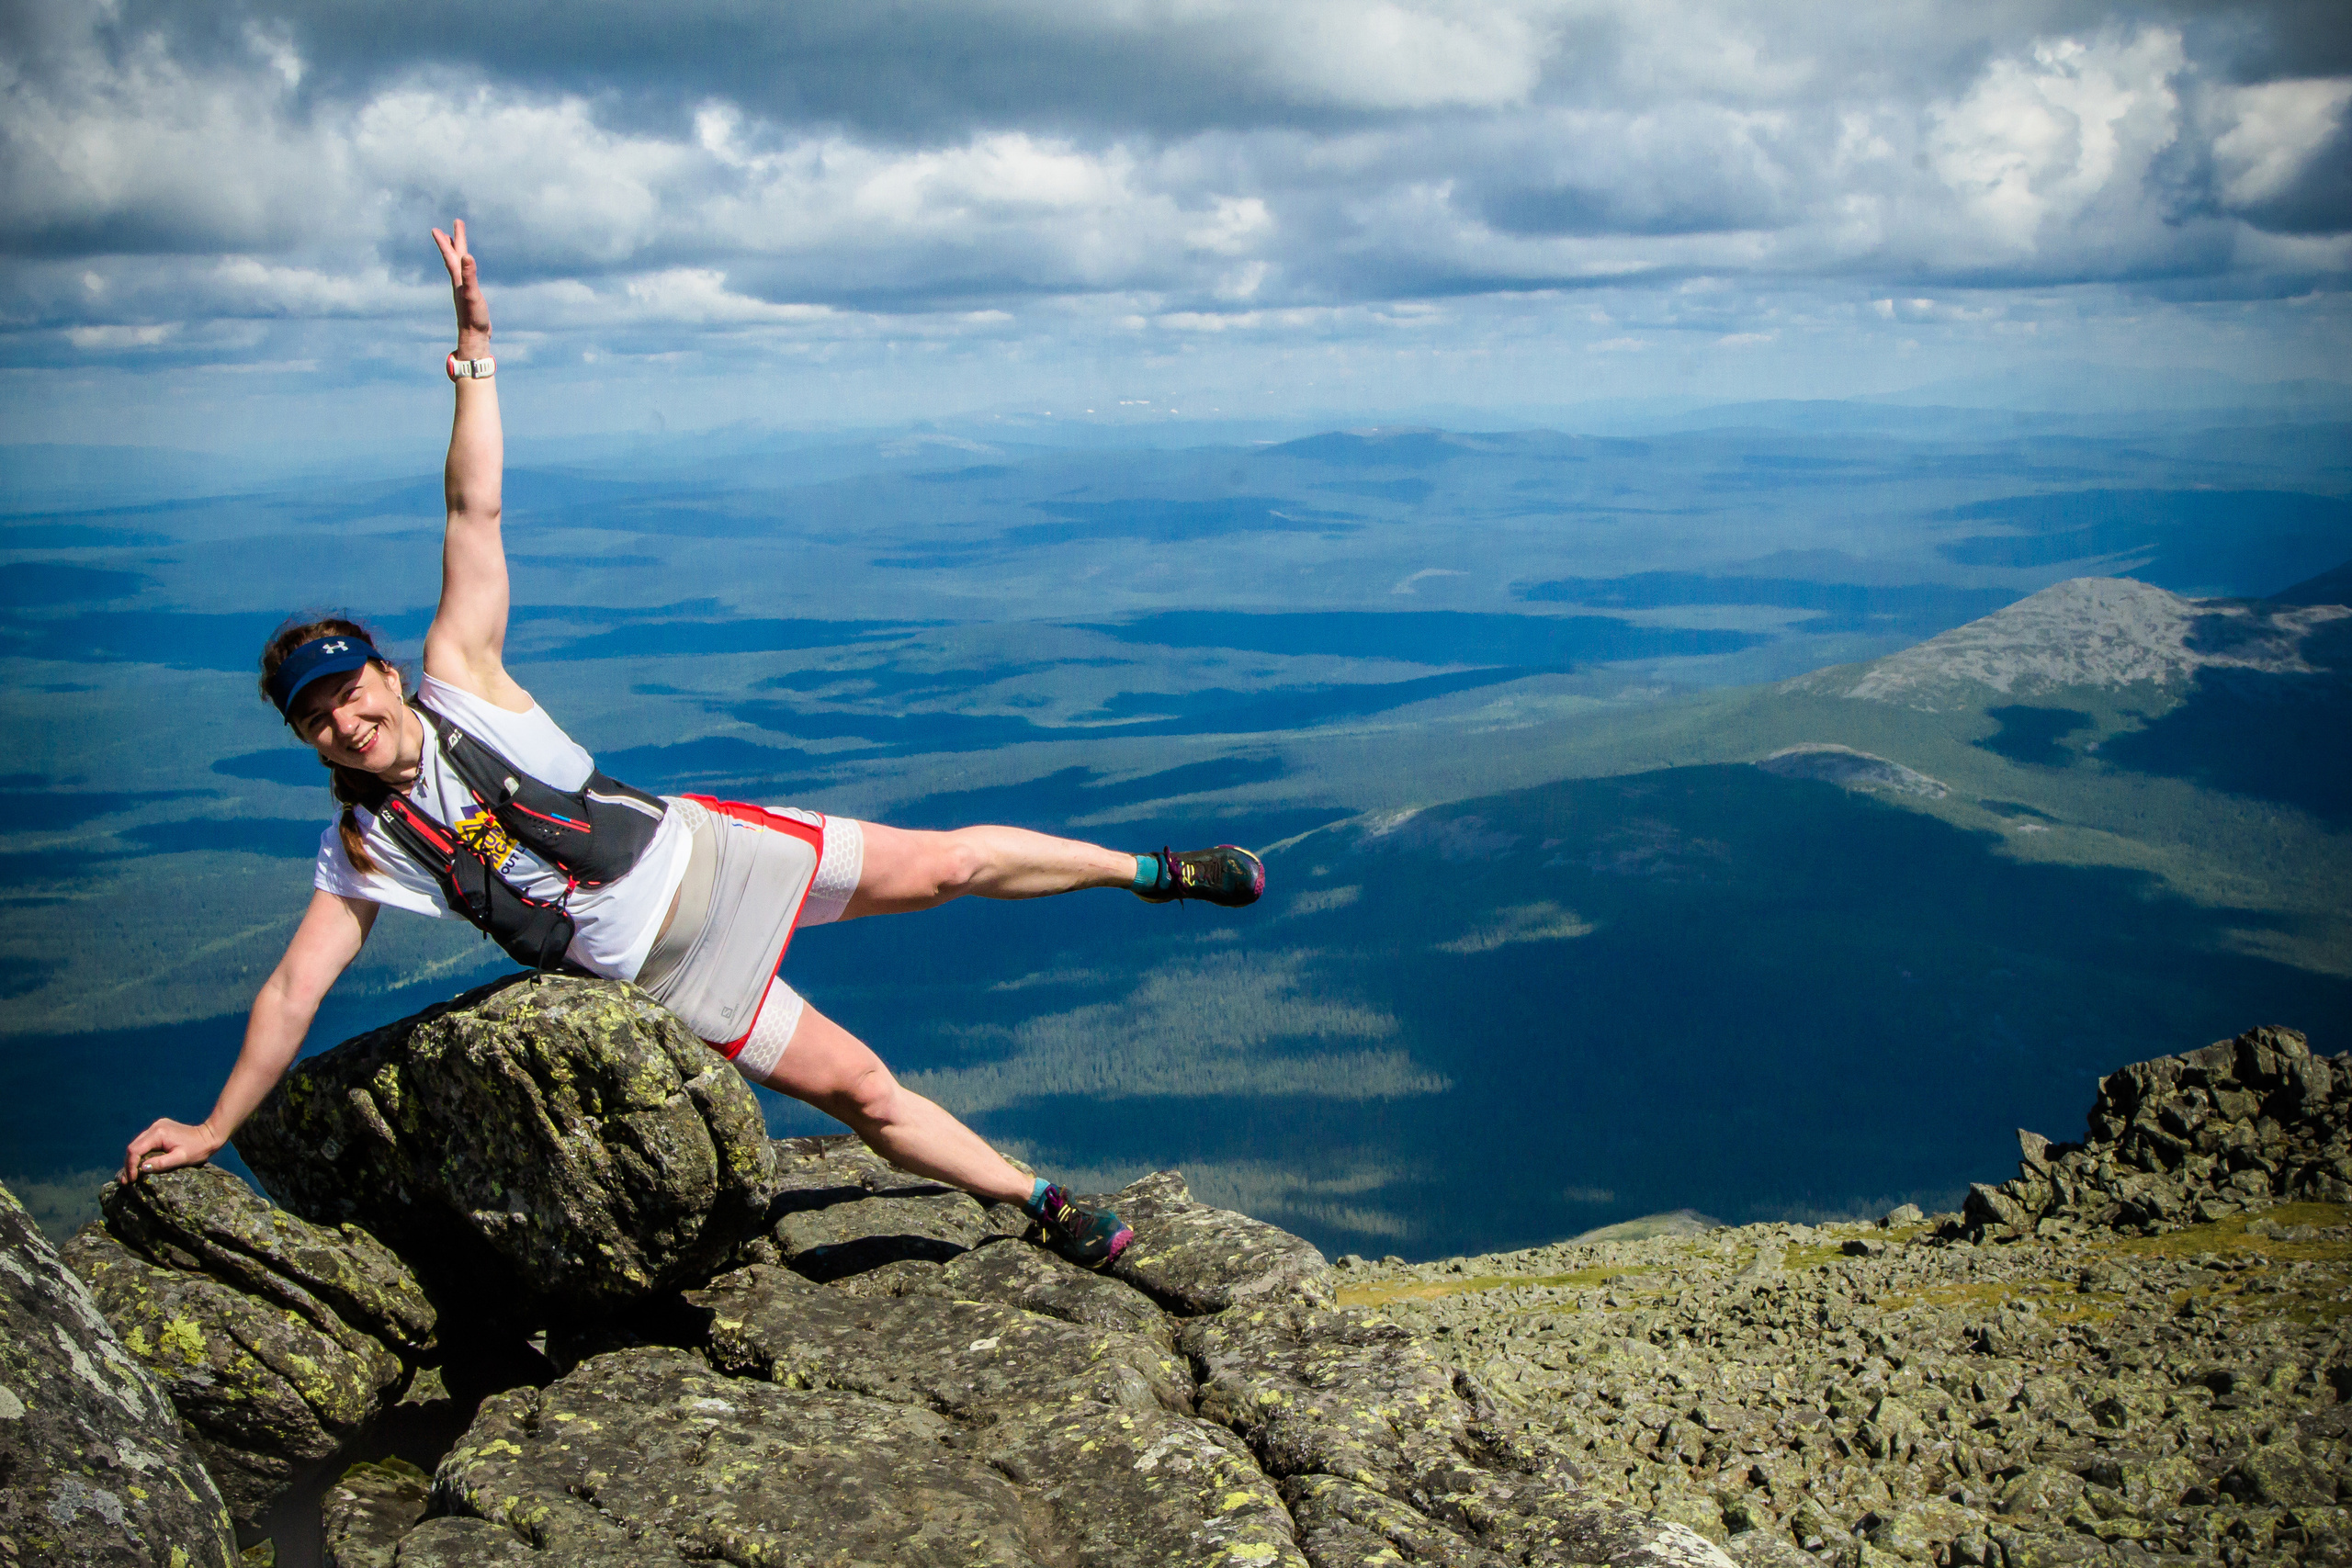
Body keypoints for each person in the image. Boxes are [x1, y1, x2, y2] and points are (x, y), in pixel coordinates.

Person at [120, 221, 1265, 1268]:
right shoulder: (364, 848)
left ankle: (1156, 874)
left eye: (348, 690)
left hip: (717, 854)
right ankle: (1040, 1201)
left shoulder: (460, 680)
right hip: (669, 978)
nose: (343, 719)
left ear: (381, 670)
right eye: (315, 718)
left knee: (949, 866)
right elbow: (291, 992)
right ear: (308, 735)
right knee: (862, 1092)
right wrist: (217, 1126)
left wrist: (474, 354)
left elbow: (475, 513)